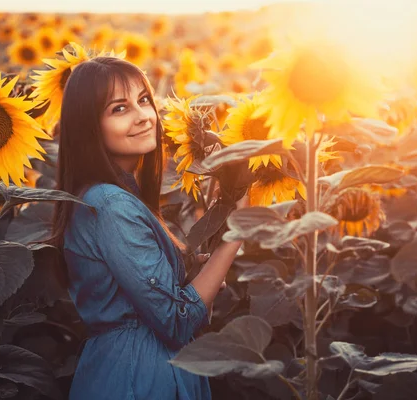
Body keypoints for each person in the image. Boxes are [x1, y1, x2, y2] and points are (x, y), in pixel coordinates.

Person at [48, 56, 249, 400]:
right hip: (140, 376)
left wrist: (197, 271)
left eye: (143, 100)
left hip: (135, 368)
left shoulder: (115, 197)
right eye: (118, 109)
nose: (143, 116)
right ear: (89, 126)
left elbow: (183, 312)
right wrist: (234, 233)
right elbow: (178, 320)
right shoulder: (111, 205)